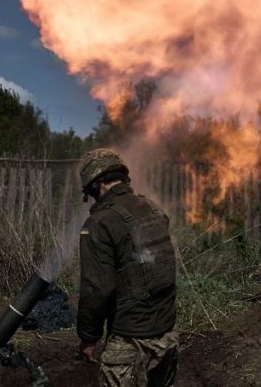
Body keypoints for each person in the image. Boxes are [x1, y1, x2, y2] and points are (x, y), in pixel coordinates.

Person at [76, 149, 178, 387]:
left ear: (96, 186)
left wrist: (88, 338)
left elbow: (97, 289)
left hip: (130, 343)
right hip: (167, 337)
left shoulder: (99, 223)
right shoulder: (152, 208)